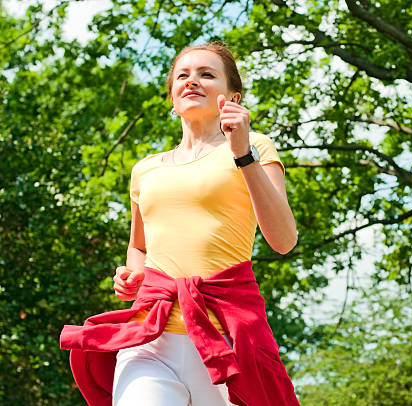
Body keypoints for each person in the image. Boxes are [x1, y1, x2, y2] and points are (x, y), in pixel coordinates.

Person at [59, 40, 300, 406]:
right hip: (150, 339)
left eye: (207, 74)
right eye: (183, 76)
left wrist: (243, 153)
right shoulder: (146, 169)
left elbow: (283, 240)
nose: (192, 81)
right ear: (172, 98)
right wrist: (132, 274)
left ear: (232, 96)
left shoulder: (256, 148)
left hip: (226, 340)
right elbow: (139, 245)